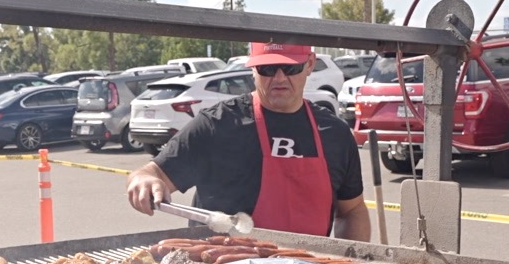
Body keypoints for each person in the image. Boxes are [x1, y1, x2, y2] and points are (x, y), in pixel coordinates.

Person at [126, 43, 370, 241]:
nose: (279, 78)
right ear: (252, 69)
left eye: (290, 69)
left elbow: (351, 211)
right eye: (268, 69)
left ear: (309, 65)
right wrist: (144, 180)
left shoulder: (334, 133)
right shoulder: (217, 125)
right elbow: (153, 172)